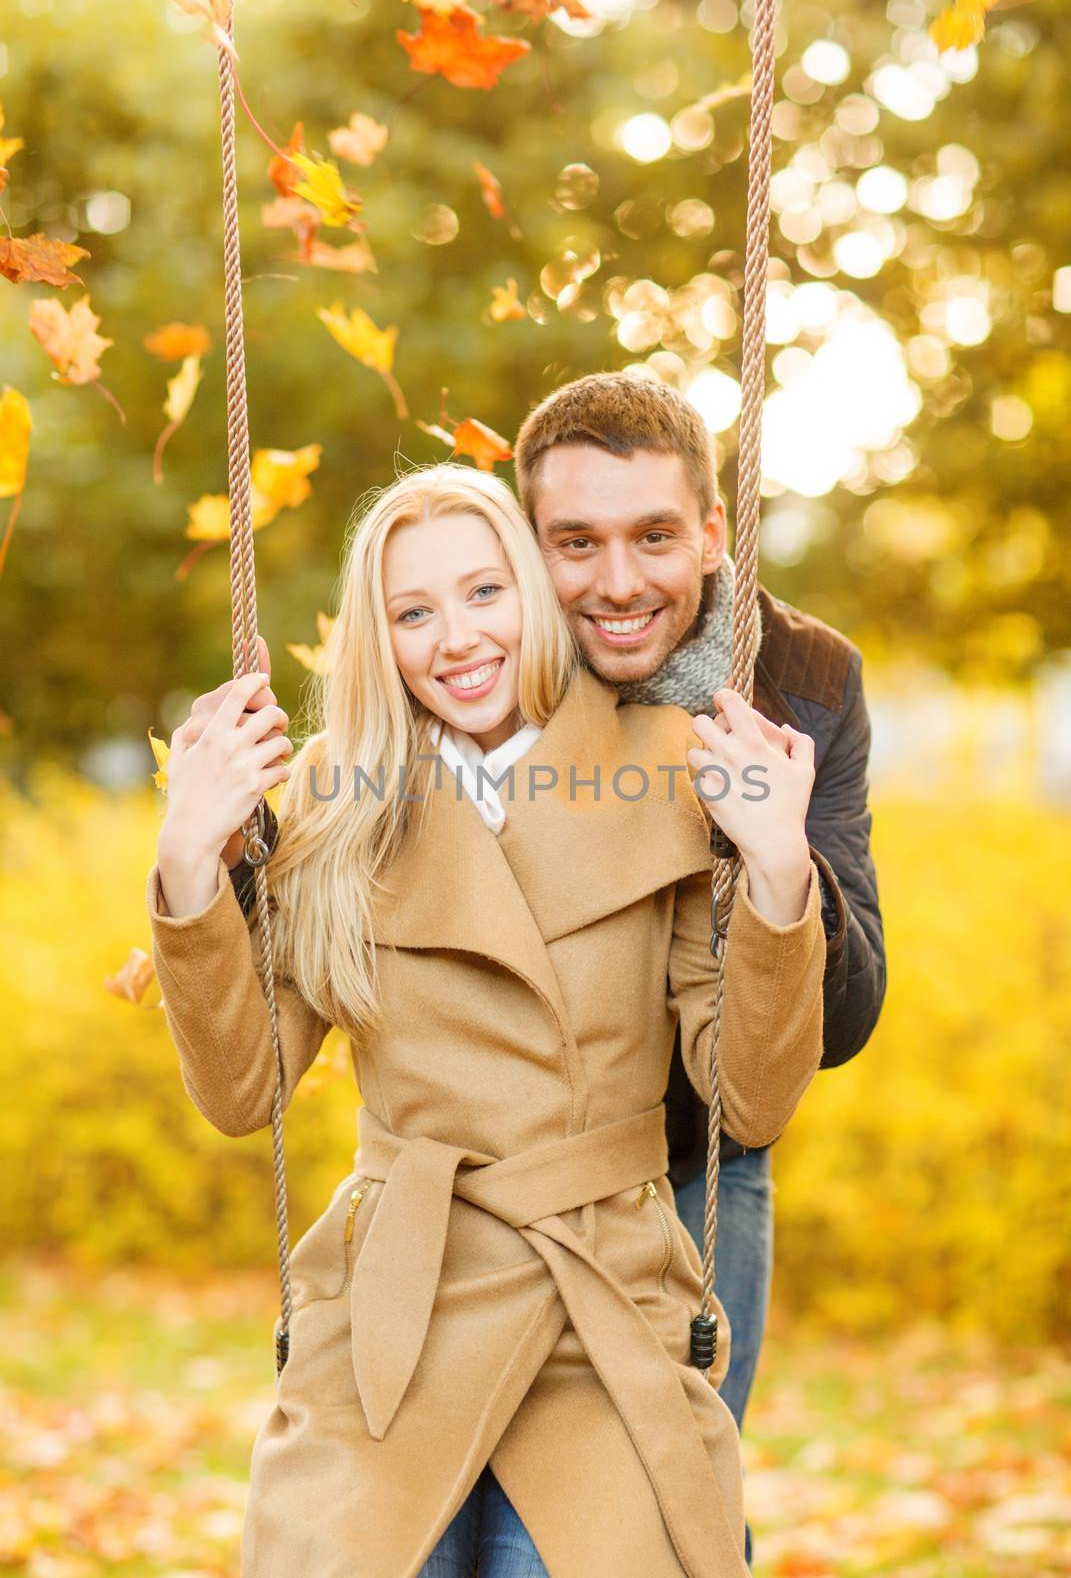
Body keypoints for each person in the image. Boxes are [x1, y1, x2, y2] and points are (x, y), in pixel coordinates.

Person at [147, 463, 827, 1577]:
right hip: (392, 1317)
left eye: (483, 593)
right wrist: (188, 863)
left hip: (601, 1312)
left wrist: (778, 872)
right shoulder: (337, 790)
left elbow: (752, 1094)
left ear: (532, 596)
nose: (456, 638)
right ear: (382, 636)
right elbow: (243, 1093)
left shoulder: (674, 765)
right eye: (413, 611)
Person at [513, 373, 887, 1564]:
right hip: (511, 1172)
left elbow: (847, 1016)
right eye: (576, 542)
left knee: (668, 1516)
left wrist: (770, 857)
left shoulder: (804, 678)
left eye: (655, 536)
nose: (618, 583)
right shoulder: (487, 663)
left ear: (715, 533)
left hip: (699, 1165)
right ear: (531, 546)